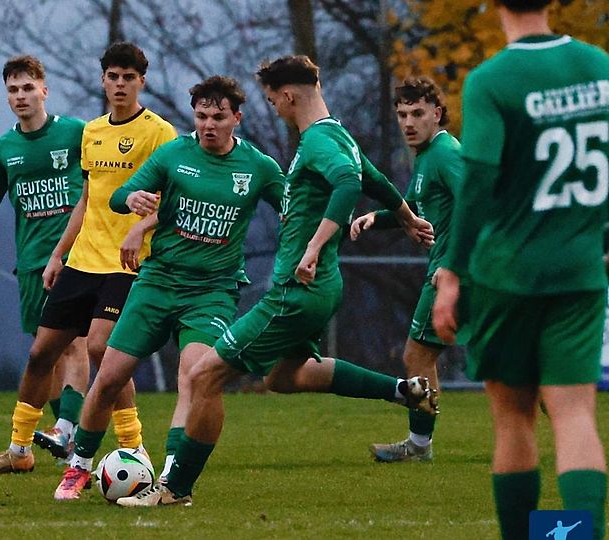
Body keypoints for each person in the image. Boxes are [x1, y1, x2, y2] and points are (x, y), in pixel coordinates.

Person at [117, 55, 438, 508]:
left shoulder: (319, 141)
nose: (275, 110)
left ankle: (175, 489)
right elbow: (374, 176)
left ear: (288, 96)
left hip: (295, 290)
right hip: (322, 289)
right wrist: (406, 217)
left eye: (273, 101)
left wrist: (312, 246)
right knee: (284, 376)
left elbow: (349, 182)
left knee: (204, 374)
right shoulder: (336, 132)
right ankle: (400, 390)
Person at [52, 75, 285, 499]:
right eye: (201, 116)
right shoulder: (174, 154)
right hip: (157, 282)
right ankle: (79, 467)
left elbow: (294, 207)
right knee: (109, 376)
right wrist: (136, 205)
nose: (208, 124)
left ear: (237, 117)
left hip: (212, 291)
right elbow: (120, 195)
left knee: (196, 377)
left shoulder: (259, 167)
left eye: (218, 116)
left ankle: (172, 476)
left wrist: (317, 237)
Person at [433, 1, 609, 538]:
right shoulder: (599, 68)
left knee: (514, 419)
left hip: (506, 275)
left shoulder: (493, 79)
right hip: (580, 271)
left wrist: (452, 272)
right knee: (576, 414)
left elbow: (479, 181)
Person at [0, 41, 175, 476]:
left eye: (128, 77)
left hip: (125, 262)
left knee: (98, 346)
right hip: (73, 259)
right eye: (113, 77)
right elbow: (87, 198)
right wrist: (57, 255)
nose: (120, 84)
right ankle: (19, 449)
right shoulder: (91, 132)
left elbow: (172, 198)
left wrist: (142, 227)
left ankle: (129, 447)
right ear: (103, 80)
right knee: (42, 352)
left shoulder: (156, 132)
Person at [0, 55, 89, 473]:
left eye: (27, 88)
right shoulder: (4, 148)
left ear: (44, 89)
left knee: (74, 343)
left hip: (77, 257)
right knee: (44, 355)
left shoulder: (75, 133)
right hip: (32, 263)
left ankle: (68, 428)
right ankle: (45, 445)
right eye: (13, 90)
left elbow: (103, 178)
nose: (21, 96)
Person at [350, 76, 462, 462]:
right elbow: (411, 211)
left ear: (438, 113)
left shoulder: (446, 154)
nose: (408, 122)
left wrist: (450, 264)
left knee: (417, 356)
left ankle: (418, 447)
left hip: (454, 270)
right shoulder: (428, 158)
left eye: (417, 113)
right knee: (503, 358)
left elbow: (475, 205)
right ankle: (552, 390)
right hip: (461, 268)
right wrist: (374, 219)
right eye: (402, 114)